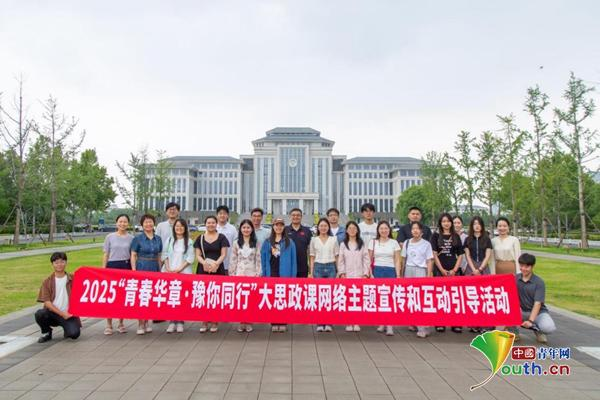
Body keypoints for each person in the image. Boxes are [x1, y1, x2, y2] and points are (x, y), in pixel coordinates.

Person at [194, 215, 230, 333]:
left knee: (216, 295)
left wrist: (216, 264)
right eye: (208, 223)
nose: (211, 225)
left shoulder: (222, 237)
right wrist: (204, 263)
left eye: (213, 222)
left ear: (216, 224)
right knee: (203, 295)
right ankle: (204, 321)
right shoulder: (200, 238)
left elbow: (224, 254)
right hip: (203, 269)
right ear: (205, 224)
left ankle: (215, 321)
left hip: (218, 269)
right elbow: (198, 255)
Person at [35, 252, 81, 343]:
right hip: (53, 313)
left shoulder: (73, 278)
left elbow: (84, 291)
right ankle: (47, 332)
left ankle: (67, 329)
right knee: (40, 314)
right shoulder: (47, 281)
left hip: (69, 313)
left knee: (74, 334)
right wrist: (62, 314)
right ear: (52, 264)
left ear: (66, 262)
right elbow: (47, 302)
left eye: (62, 262)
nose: (59, 265)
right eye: (56, 262)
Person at [261, 217, 297, 333]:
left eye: (281, 225)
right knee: (272, 299)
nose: (278, 227)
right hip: (272, 273)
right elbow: (263, 259)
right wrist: (264, 275)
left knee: (283, 299)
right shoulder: (267, 242)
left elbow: (293, 261)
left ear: (284, 227)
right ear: (273, 227)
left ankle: (283, 322)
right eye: (276, 225)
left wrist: (293, 277)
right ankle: (274, 322)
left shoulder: (289, 242)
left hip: (285, 275)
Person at [431, 212, 464, 333]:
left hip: (453, 269)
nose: (446, 223)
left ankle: (456, 323)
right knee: (440, 297)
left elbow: (460, 255)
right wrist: (441, 270)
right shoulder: (435, 236)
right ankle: (440, 322)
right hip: (440, 269)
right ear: (440, 223)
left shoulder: (456, 236)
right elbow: (434, 254)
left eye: (448, 221)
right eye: (443, 221)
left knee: (454, 297)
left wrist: (454, 270)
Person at [400, 221, 434, 338]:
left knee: (421, 299)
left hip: (421, 270)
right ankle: (413, 323)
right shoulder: (407, 243)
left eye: (417, 228)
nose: (415, 230)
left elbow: (429, 260)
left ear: (421, 231)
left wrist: (428, 275)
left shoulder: (426, 244)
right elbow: (403, 259)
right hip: (408, 271)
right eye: (413, 228)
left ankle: (423, 327)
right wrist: (401, 274)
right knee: (411, 298)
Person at [131, 214, 163, 335]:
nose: (148, 224)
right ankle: (140, 323)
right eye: (146, 222)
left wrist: (160, 271)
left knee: (151, 296)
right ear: (142, 224)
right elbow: (133, 254)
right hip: (142, 266)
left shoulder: (158, 239)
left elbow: (159, 256)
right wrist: (134, 270)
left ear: (154, 224)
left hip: (154, 267)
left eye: (150, 222)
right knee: (141, 296)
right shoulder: (138, 239)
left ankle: (148, 321)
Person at [101, 214, 133, 335]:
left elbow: (133, 255)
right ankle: (109, 324)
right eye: (120, 221)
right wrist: (103, 269)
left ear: (128, 224)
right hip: (112, 266)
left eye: (125, 222)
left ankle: (121, 323)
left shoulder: (131, 238)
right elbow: (106, 254)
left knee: (122, 296)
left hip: (126, 266)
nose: (122, 224)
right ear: (116, 223)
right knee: (110, 296)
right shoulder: (109, 237)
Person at [162, 218, 195, 333]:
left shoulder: (189, 241)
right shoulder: (169, 240)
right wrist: (168, 268)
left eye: (181, 226)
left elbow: (190, 258)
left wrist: (179, 269)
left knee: (181, 298)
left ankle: (180, 321)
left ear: (185, 228)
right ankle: (172, 321)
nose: (179, 228)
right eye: (177, 226)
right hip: (170, 273)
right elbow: (164, 255)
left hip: (183, 273)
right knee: (172, 298)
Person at [369, 220, 401, 336]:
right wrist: (370, 274)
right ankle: (381, 323)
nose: (384, 231)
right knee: (379, 298)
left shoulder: (394, 243)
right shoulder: (373, 242)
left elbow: (397, 260)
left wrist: (398, 275)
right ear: (378, 230)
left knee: (389, 299)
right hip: (377, 271)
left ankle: (390, 325)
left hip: (390, 271)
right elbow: (369, 260)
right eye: (381, 228)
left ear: (389, 230)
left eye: (386, 228)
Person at [515, 253, 556, 343]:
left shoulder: (539, 282)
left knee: (549, 327)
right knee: (505, 313)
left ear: (532, 266)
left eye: (527, 266)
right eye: (521, 266)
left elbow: (537, 304)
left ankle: (537, 330)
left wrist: (530, 321)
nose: (523, 269)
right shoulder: (515, 279)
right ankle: (513, 332)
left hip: (538, 313)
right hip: (521, 311)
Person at [230, 219, 262, 333]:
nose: (246, 229)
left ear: (252, 229)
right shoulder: (236, 243)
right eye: (244, 227)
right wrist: (232, 274)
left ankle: (249, 322)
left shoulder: (256, 242)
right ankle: (241, 322)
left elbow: (258, 259)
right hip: (239, 274)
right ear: (240, 229)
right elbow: (233, 259)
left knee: (250, 300)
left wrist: (258, 273)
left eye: (248, 227)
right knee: (240, 300)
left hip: (252, 274)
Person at [338, 221, 370, 332]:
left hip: (359, 275)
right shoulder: (343, 244)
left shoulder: (361, 243)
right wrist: (342, 273)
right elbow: (341, 260)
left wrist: (365, 273)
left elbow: (366, 259)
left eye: (354, 228)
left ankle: (356, 322)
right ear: (346, 231)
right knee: (348, 299)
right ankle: (348, 322)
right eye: (350, 228)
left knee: (357, 300)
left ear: (357, 230)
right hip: (347, 275)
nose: (352, 230)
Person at [309, 218, 339, 333]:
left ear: (328, 227)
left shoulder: (334, 239)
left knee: (330, 296)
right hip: (318, 268)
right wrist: (311, 272)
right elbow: (312, 257)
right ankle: (320, 323)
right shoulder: (314, 239)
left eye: (325, 226)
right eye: (321, 226)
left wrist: (338, 271)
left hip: (331, 267)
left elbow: (337, 256)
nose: (323, 228)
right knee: (319, 296)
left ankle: (329, 323)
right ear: (318, 227)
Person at [285, 208, 312, 278]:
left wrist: (310, 266)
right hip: (287, 266)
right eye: (293, 215)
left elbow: (310, 250)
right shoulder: (285, 230)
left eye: (298, 215)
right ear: (290, 216)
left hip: (302, 267)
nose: (296, 217)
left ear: (301, 217)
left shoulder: (307, 231)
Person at [216, 205, 237, 272]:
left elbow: (236, 245)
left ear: (228, 215)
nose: (222, 215)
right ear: (217, 215)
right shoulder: (213, 227)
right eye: (220, 213)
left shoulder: (232, 229)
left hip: (229, 262)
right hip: (215, 263)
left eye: (224, 213)